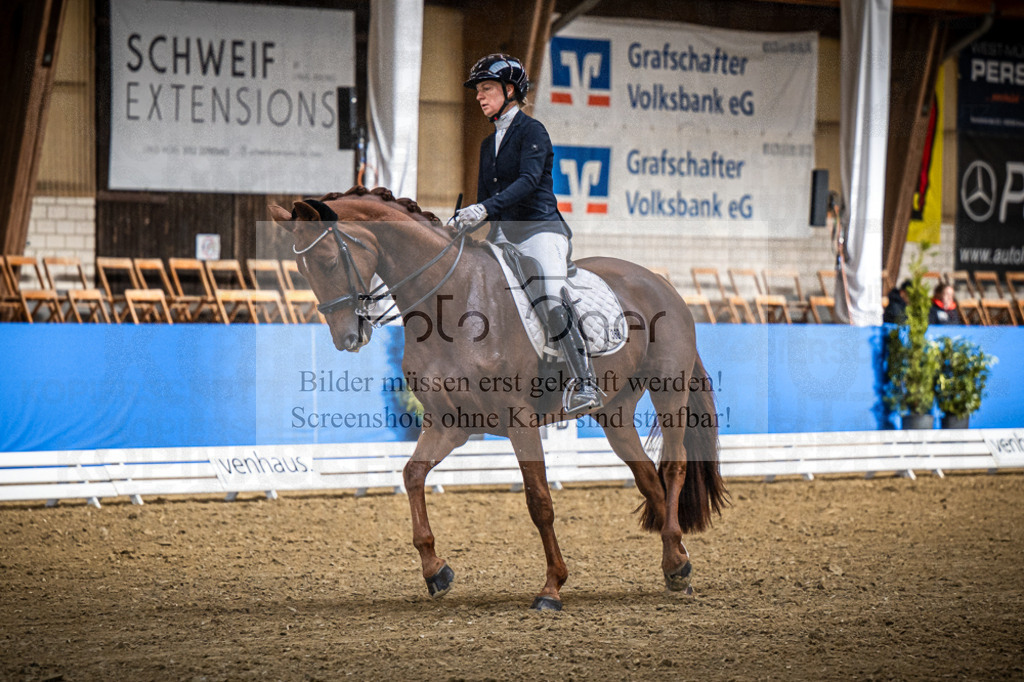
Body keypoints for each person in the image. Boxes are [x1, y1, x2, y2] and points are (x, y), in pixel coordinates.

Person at [454, 53, 601, 414]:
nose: (479, 96)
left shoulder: (532, 131)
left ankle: (585, 382)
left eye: (486, 89)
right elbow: (486, 200)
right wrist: (463, 221)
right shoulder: (488, 144)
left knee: (550, 294)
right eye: (478, 91)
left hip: (540, 230)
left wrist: (484, 208)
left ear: (509, 90)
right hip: (503, 235)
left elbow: (528, 182)